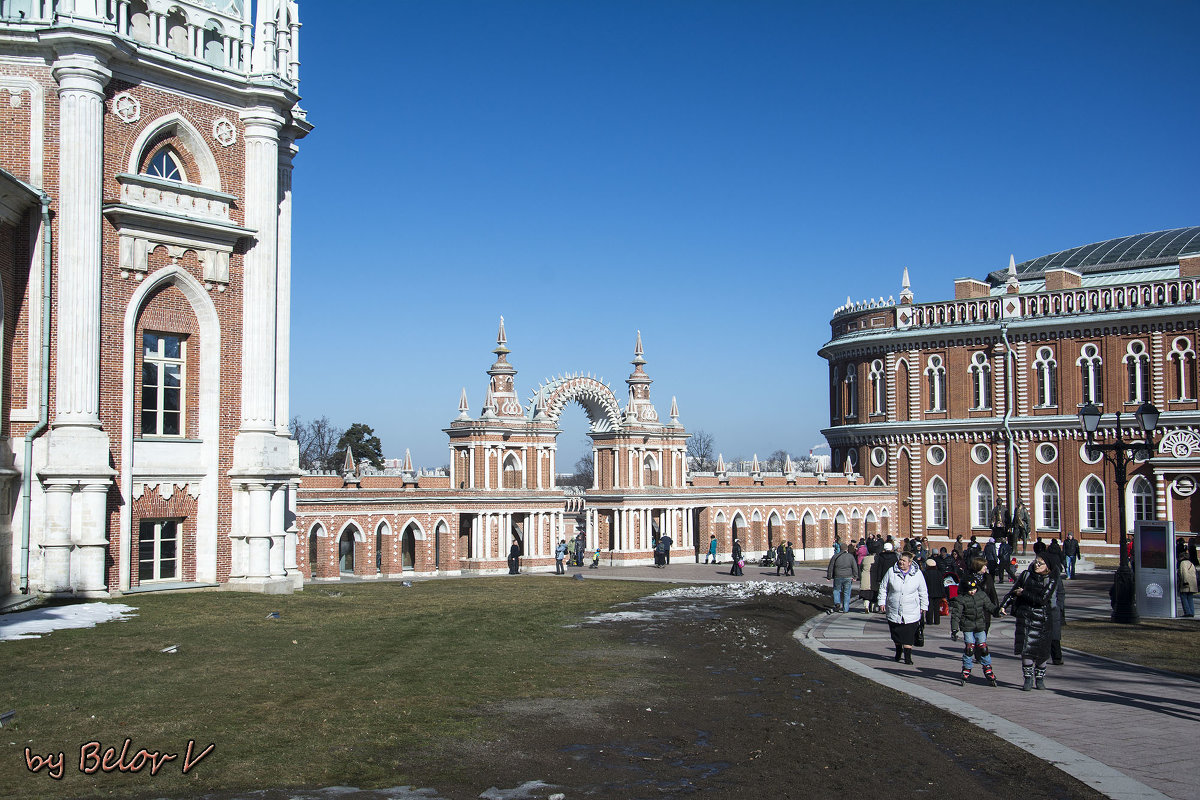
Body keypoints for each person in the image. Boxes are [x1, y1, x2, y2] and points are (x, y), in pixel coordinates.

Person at [1002, 555, 1057, 690]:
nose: (1037, 565)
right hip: (1025, 618)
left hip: (1043, 620)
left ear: (1048, 567)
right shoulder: (1026, 575)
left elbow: (1042, 599)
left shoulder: (1050, 579)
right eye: (1036, 562)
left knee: (1042, 652)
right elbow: (1013, 591)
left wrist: (1024, 593)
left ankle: (1040, 678)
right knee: (1026, 649)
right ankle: (1027, 678)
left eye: (1041, 563)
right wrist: (1003, 605)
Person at [877, 551, 928, 664]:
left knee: (909, 634)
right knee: (896, 633)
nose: (901, 562)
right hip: (894, 608)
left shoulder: (917, 574)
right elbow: (883, 588)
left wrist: (924, 605)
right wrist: (881, 602)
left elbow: (923, 591)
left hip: (911, 610)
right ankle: (898, 651)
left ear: (910, 562)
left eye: (904, 561)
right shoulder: (891, 572)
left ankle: (908, 657)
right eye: (900, 560)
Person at [950, 578, 1000, 687]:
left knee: (983, 647)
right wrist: (954, 629)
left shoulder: (981, 595)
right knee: (970, 648)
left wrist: (997, 611)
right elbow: (956, 615)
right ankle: (967, 667)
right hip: (967, 626)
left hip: (980, 625)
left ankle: (987, 667)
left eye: (974, 589)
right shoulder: (960, 599)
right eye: (970, 590)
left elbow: (989, 606)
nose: (973, 592)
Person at [826, 544, 860, 613]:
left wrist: (829, 576)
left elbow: (831, 567)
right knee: (847, 593)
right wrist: (855, 576)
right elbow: (854, 567)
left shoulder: (835, 556)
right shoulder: (850, 557)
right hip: (848, 576)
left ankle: (837, 603)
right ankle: (845, 609)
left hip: (837, 576)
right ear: (846, 549)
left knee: (836, 590)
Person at [869, 541, 898, 614]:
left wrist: (878, 578)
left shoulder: (881, 557)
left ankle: (882, 607)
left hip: (883, 576)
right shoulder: (894, 557)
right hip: (893, 577)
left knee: (882, 592)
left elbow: (879, 568)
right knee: (891, 592)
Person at [922, 558, 946, 625]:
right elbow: (941, 583)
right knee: (936, 607)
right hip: (938, 593)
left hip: (929, 592)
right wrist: (943, 593)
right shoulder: (939, 573)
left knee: (929, 607)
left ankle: (929, 621)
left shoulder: (926, 573)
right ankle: (937, 621)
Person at [1178, 549, 1197, 617]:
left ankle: (1187, 612)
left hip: (1186, 583)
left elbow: (1184, 573)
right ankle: (1191, 612)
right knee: (1190, 598)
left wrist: (1185, 582)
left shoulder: (1183, 563)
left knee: (1183, 597)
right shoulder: (1191, 563)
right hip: (1192, 584)